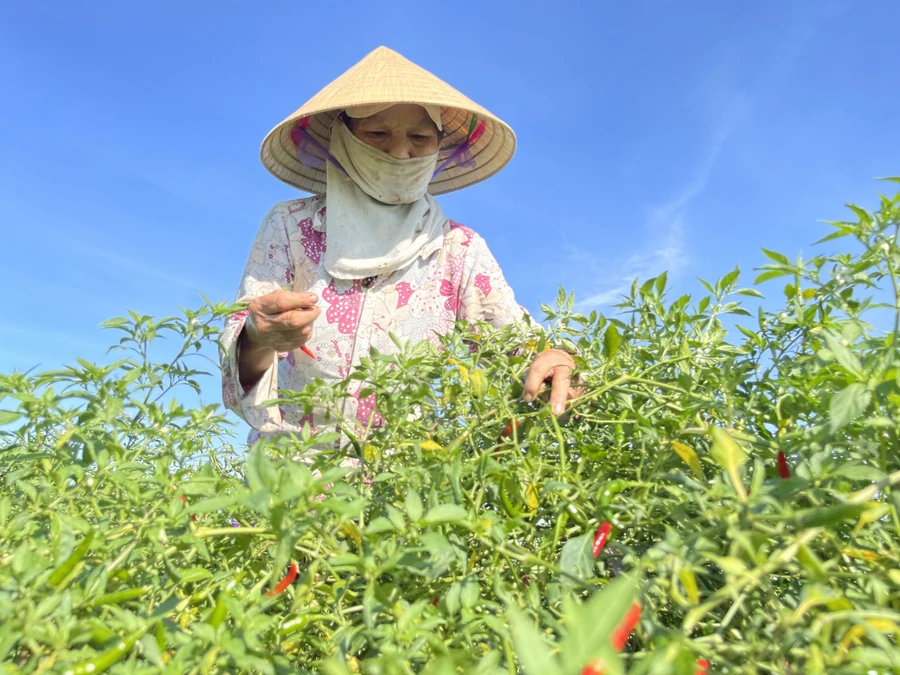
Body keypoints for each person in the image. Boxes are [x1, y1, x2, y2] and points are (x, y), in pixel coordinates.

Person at [220, 46, 580, 447]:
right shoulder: (291, 227)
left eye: (419, 137)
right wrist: (258, 336)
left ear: (439, 147)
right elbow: (243, 358)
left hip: (402, 482)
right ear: (344, 139)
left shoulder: (457, 248)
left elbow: (515, 347)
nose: (399, 152)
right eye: (377, 134)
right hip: (291, 478)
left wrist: (553, 358)